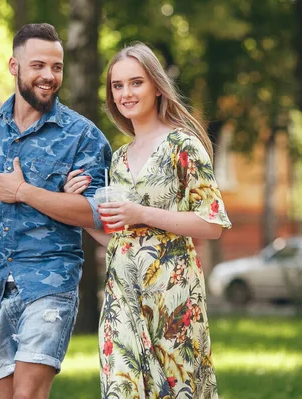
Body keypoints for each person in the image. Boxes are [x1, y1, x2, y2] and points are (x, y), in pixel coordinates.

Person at [0, 23, 112, 399]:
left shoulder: (82, 137)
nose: (49, 76)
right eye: (38, 66)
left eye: (57, 67)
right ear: (14, 66)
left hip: (51, 285)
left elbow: (98, 216)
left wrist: (22, 191)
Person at [64, 42, 231, 398]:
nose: (126, 93)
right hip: (121, 296)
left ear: (156, 85)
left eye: (136, 82)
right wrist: (77, 208)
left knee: (176, 389)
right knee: (120, 390)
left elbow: (212, 224)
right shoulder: (119, 157)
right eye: (117, 85)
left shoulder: (182, 146)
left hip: (173, 298)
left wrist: (140, 213)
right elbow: (120, 240)